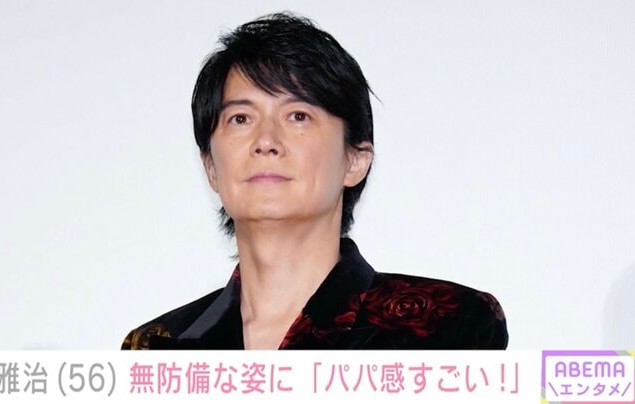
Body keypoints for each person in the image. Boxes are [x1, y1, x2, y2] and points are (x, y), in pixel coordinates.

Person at [121, 12, 508, 350]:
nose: (266, 141)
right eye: (240, 118)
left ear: (355, 161)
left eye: (298, 116)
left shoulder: (449, 324)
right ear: (211, 168)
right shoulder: (159, 346)